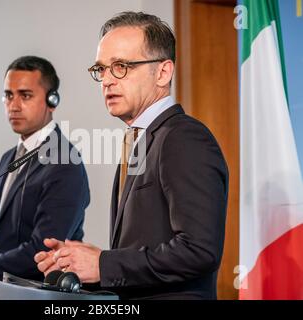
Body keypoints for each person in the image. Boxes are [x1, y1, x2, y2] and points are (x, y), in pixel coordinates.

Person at [34, 12, 228, 300]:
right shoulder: (138, 140)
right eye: (102, 69)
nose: (107, 80)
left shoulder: (184, 137)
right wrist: (78, 264)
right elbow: (141, 253)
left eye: (121, 66)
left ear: (163, 72)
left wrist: (103, 263)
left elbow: (199, 250)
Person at [0, 56, 90, 281]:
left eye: (25, 95)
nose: (13, 105)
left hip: (37, 294)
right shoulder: (8, 158)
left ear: (52, 100)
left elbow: (41, 250)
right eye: (8, 95)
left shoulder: (66, 162)